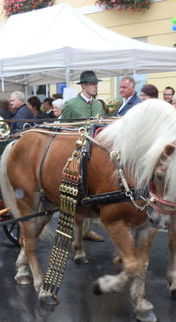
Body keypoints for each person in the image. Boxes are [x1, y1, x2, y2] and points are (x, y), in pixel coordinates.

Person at [61, 71, 104, 242]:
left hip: (95, 153)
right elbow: (64, 129)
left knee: (93, 190)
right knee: (76, 191)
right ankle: (72, 227)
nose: (96, 86)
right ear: (84, 85)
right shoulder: (70, 104)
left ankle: (86, 230)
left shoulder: (99, 105)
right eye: (93, 84)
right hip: (76, 152)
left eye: (96, 84)